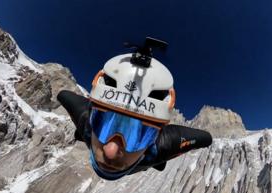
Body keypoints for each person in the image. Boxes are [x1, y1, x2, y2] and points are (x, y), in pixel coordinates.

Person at [57, 38, 212, 180]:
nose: (111, 151)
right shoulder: (86, 121)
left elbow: (65, 95)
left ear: (154, 139)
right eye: (102, 124)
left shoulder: (162, 146)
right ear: (91, 117)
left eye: (138, 136)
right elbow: (205, 138)